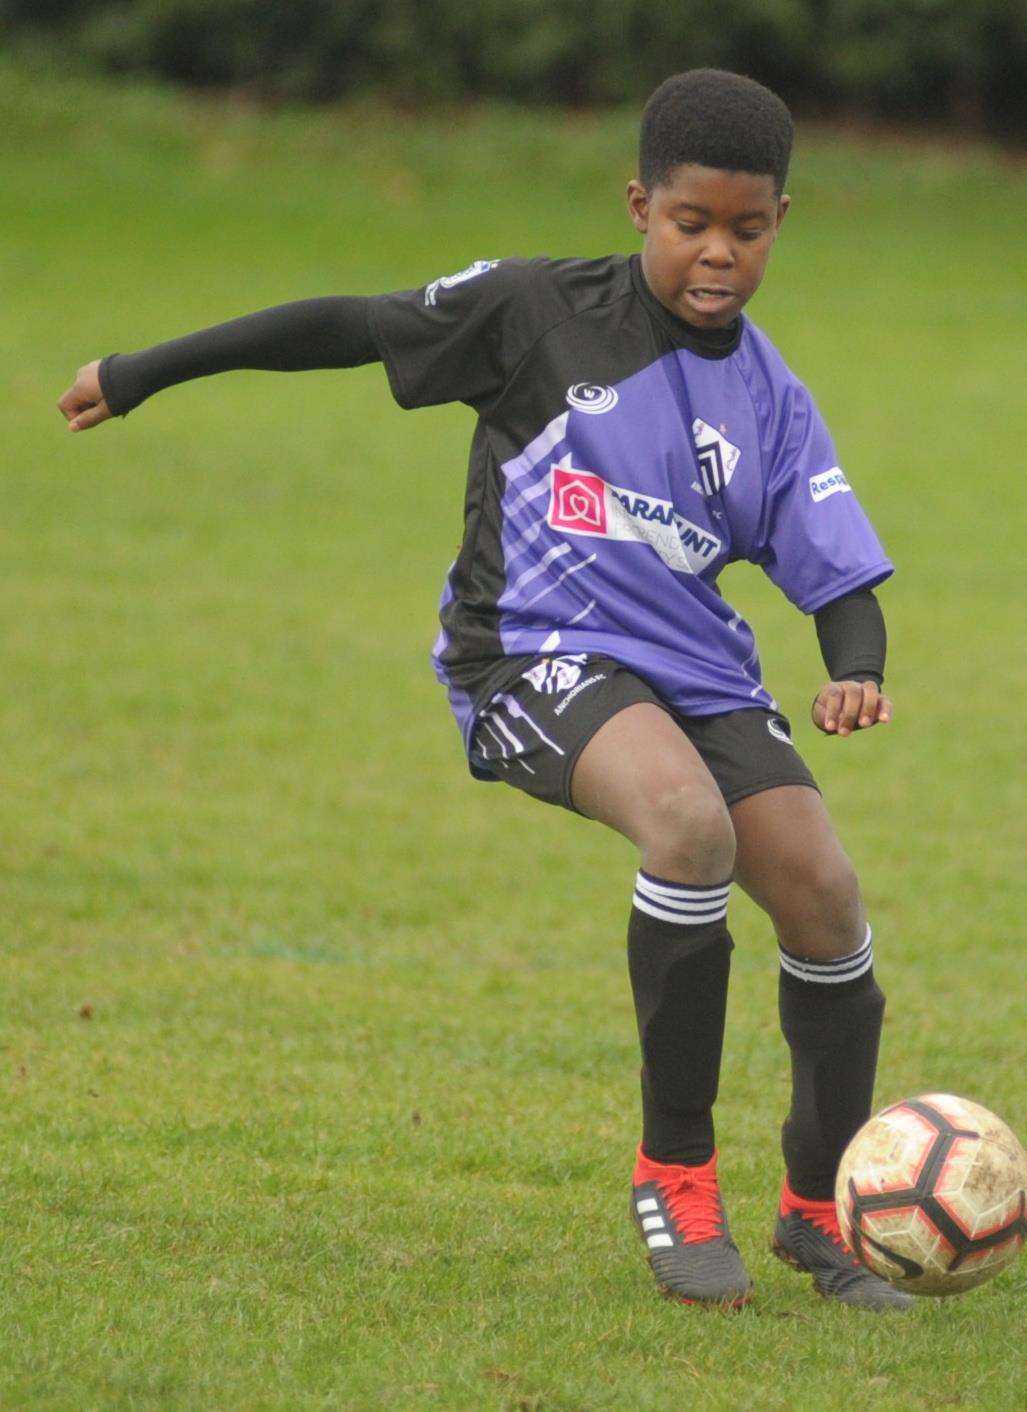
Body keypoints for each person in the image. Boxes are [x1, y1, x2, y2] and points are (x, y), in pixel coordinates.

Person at [56, 68, 911, 1313]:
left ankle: (816, 1207)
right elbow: (350, 324)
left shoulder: (770, 395)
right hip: (526, 646)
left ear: (784, 219)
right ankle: (675, 1175)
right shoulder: (536, 311)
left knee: (825, 895)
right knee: (685, 823)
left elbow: (837, 570)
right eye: (691, 224)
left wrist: (856, 669)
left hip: (695, 666)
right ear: (637, 206)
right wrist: (145, 370)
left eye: (747, 227)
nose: (717, 253)